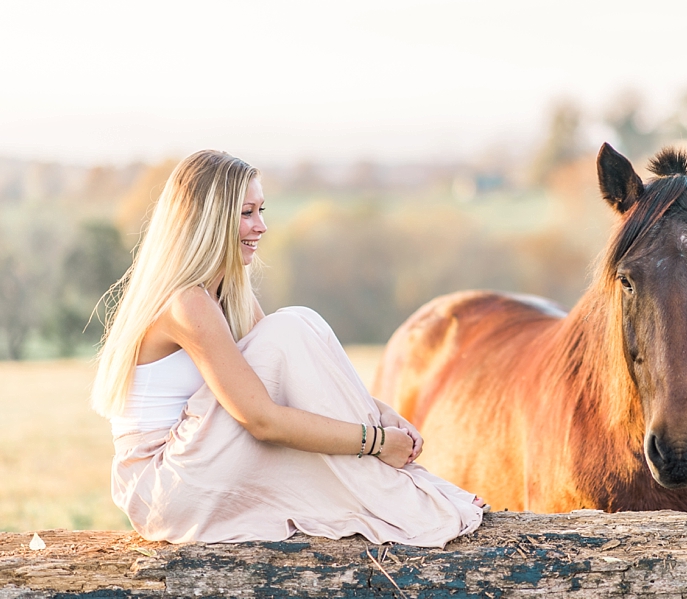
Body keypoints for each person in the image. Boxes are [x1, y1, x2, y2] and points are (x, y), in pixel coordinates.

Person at [92, 149, 485, 546]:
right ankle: (390, 488)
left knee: (300, 322)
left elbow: (300, 379)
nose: (261, 226)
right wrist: (375, 441)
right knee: (288, 330)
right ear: (210, 221)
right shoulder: (186, 303)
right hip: (163, 485)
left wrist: (384, 415)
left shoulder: (225, 295)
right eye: (247, 213)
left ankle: (387, 483)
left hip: (194, 463)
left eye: (262, 210)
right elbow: (262, 419)